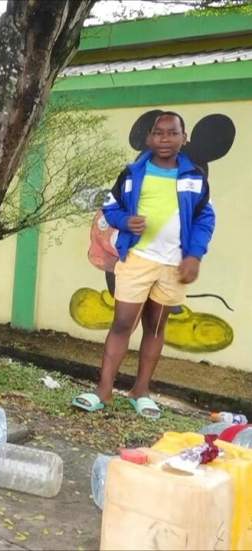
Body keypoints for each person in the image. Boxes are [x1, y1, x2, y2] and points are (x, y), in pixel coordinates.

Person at [72, 112, 215, 419]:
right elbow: (111, 207)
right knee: (123, 323)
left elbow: (205, 218)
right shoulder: (133, 173)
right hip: (138, 260)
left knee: (155, 326)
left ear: (184, 137)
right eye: (159, 133)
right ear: (150, 138)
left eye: (172, 133)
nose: (165, 139)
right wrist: (125, 221)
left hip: (173, 265)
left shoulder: (194, 178)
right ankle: (103, 391)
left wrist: (194, 255)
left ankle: (141, 390)